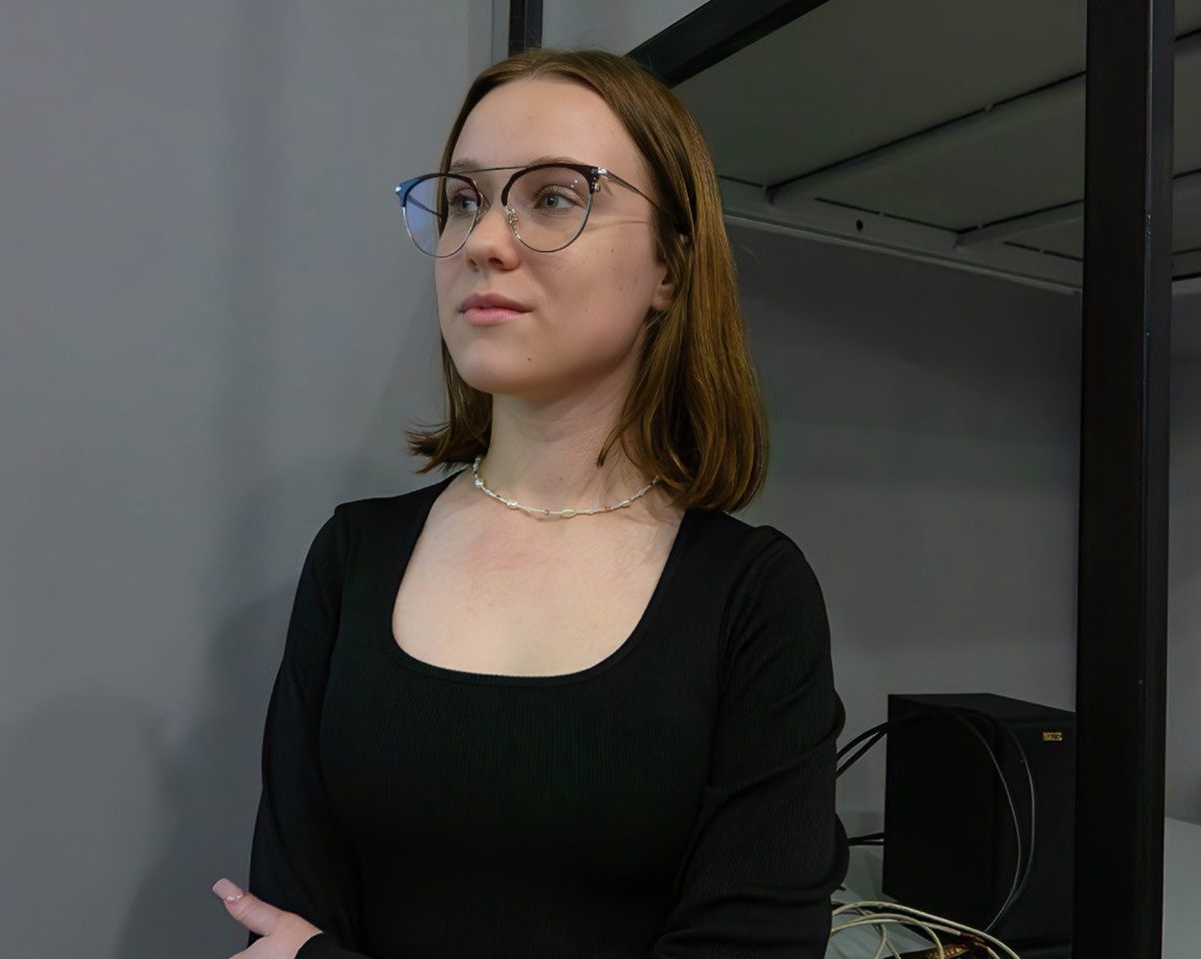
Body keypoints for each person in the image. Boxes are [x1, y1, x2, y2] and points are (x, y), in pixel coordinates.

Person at [210, 46, 848, 959]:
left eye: (552, 197)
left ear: (668, 265)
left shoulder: (751, 599)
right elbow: (279, 924)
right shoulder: (353, 558)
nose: (483, 241)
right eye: (463, 200)